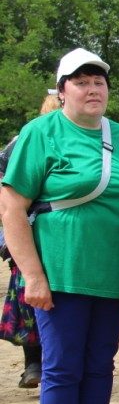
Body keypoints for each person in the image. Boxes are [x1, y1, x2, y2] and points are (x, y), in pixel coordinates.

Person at [0, 48, 119, 404]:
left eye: (98, 81)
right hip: (61, 274)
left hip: (112, 274)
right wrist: (32, 275)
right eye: (81, 82)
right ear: (62, 91)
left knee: (100, 366)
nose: (92, 89)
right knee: (62, 368)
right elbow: (12, 207)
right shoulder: (40, 132)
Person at [0, 92, 59, 388]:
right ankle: (36, 364)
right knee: (32, 299)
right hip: (28, 233)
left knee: (31, 302)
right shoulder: (27, 140)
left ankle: (36, 364)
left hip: (34, 233)